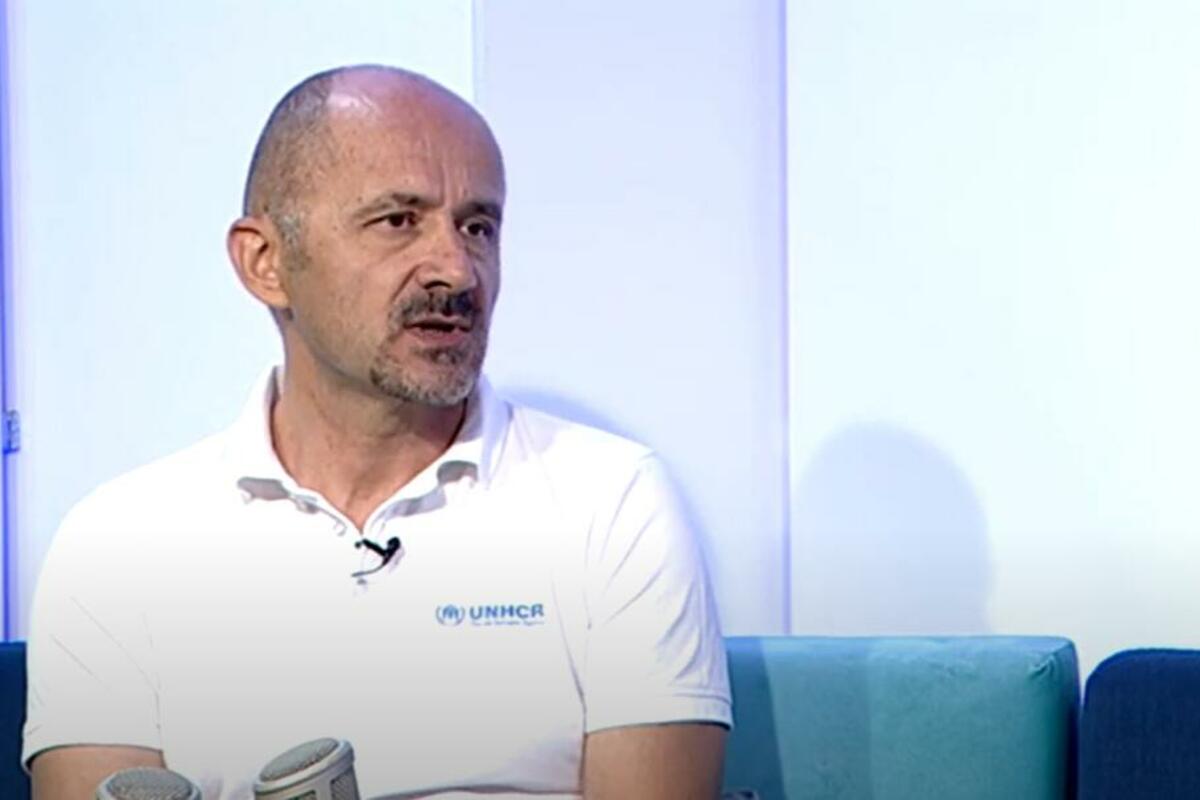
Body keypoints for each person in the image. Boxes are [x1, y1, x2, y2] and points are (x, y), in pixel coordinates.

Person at [23, 65, 730, 799]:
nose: (456, 270)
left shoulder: (612, 501)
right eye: (398, 221)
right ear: (266, 263)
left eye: (478, 227)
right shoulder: (119, 543)